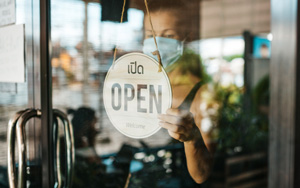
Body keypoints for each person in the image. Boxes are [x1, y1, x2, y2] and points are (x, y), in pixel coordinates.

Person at [142, 0, 215, 184]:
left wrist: (192, 139)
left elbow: (202, 174)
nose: (157, 43)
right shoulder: (146, 86)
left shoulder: (201, 94)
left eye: (168, 35)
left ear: (187, 39)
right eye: (150, 34)